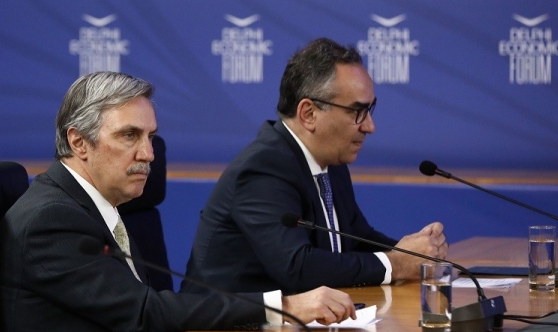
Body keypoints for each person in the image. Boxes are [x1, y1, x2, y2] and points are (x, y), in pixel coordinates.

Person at [0, 71, 356, 332]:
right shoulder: (52, 220)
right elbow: (143, 313)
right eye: (129, 136)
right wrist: (284, 306)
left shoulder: (96, 205)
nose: (148, 154)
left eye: (150, 137)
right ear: (79, 142)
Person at [182, 38, 447, 296]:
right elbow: (298, 266)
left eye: (370, 110)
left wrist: (414, 252)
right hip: (226, 323)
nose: (370, 126)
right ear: (309, 114)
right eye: (357, 112)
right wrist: (396, 264)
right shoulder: (263, 168)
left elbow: (356, 239)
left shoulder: (331, 161)